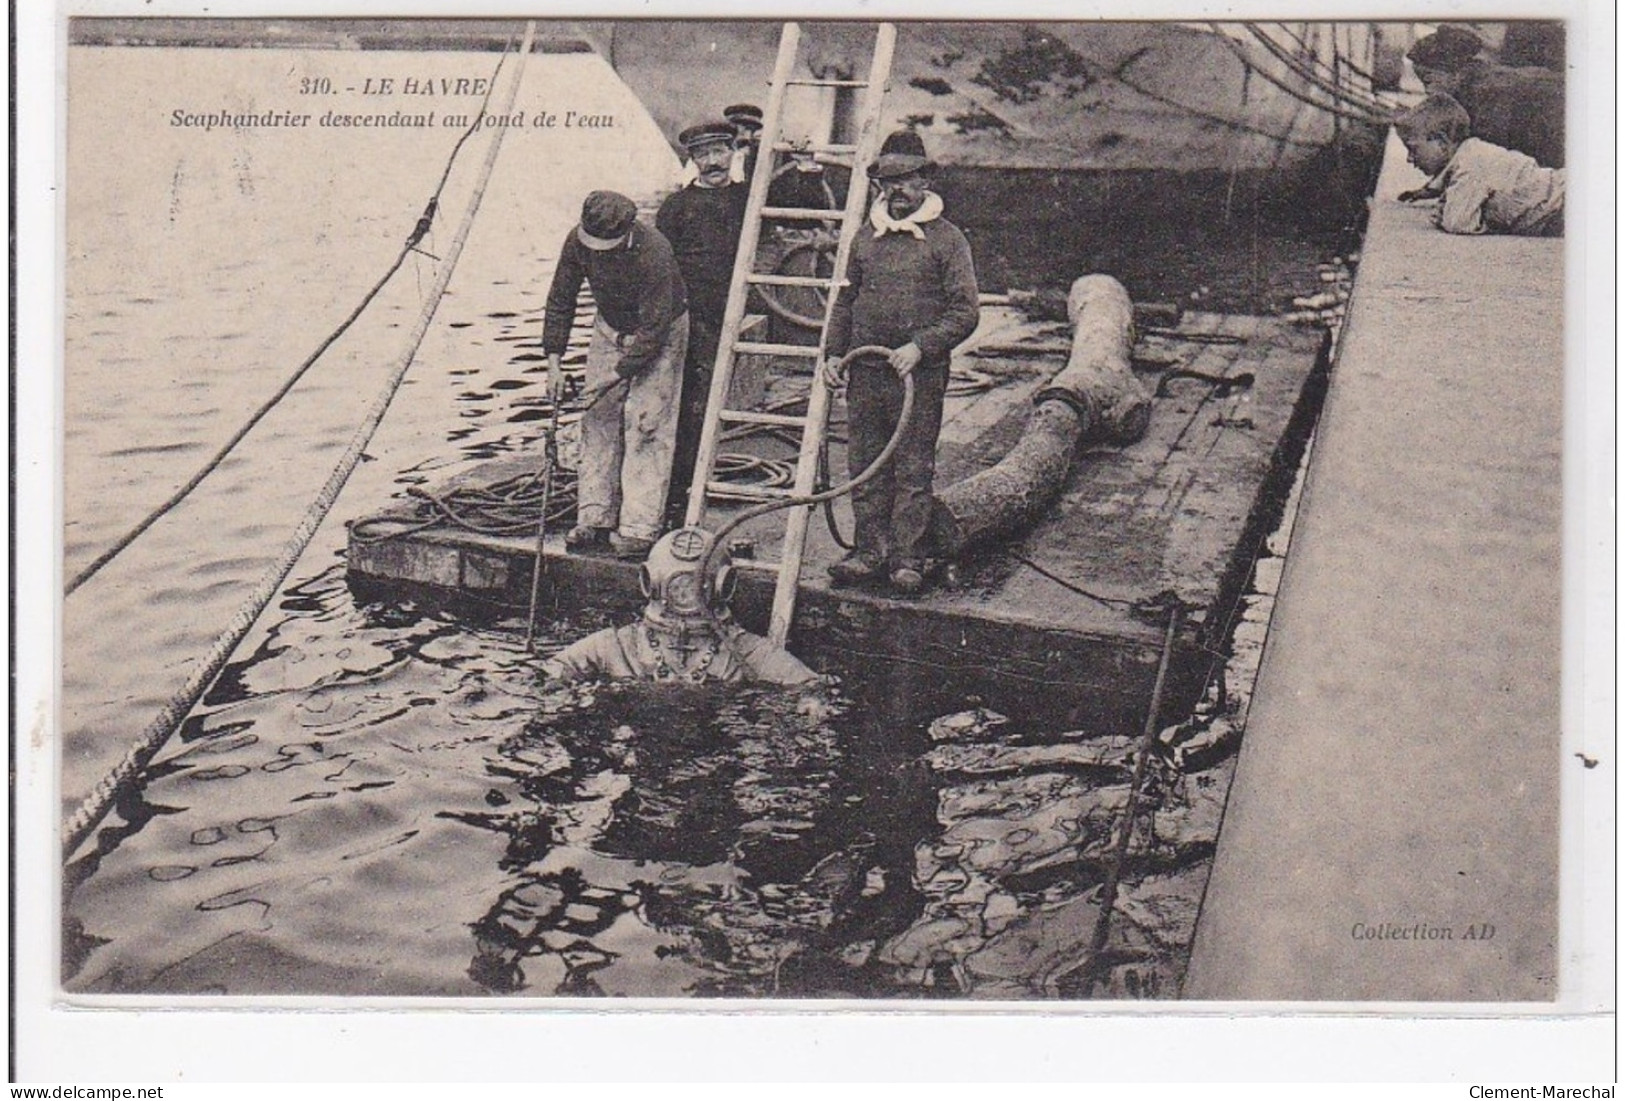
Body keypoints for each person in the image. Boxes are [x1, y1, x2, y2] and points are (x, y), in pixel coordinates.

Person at [823, 130, 979, 596]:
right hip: (866, 370)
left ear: (925, 182)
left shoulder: (948, 240)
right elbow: (845, 301)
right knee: (865, 461)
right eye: (889, 181)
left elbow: (966, 311)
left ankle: (907, 557)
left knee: (913, 466)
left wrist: (921, 346)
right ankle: (869, 550)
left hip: (919, 374)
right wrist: (833, 353)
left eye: (908, 180)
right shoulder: (865, 237)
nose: (898, 191)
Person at [543, 190, 690, 559]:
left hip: (660, 332)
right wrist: (554, 363)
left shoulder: (654, 251)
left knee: (647, 423)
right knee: (597, 418)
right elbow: (561, 298)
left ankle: (640, 526)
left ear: (626, 232)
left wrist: (613, 377)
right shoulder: (577, 240)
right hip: (609, 328)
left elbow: (654, 331)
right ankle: (595, 515)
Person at [540, 526, 821, 685]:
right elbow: (555, 668)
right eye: (680, 587)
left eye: (693, 587)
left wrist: (812, 702)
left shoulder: (742, 651)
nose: (686, 594)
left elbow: (807, 683)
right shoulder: (621, 646)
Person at [656, 122, 750, 528]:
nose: (712, 162)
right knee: (689, 407)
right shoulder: (676, 208)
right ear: (691, 161)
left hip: (730, 312)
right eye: (702, 155)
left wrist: (803, 168)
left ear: (733, 153)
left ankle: (697, 487)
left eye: (719, 152)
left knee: (714, 403)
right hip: (692, 318)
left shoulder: (750, 198)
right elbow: (659, 267)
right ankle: (680, 498)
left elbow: (802, 205)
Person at [1395, 94, 1564, 237]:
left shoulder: (1471, 166)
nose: (1410, 159)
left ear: (1441, 142)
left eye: (1413, 149)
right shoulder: (1469, 155)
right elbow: (1443, 188)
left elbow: (1457, 223)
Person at [1406, 25, 1564, 168]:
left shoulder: (1488, 92)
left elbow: (1492, 155)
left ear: (1454, 72)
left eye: (1429, 81)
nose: (1427, 91)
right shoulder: (1474, 81)